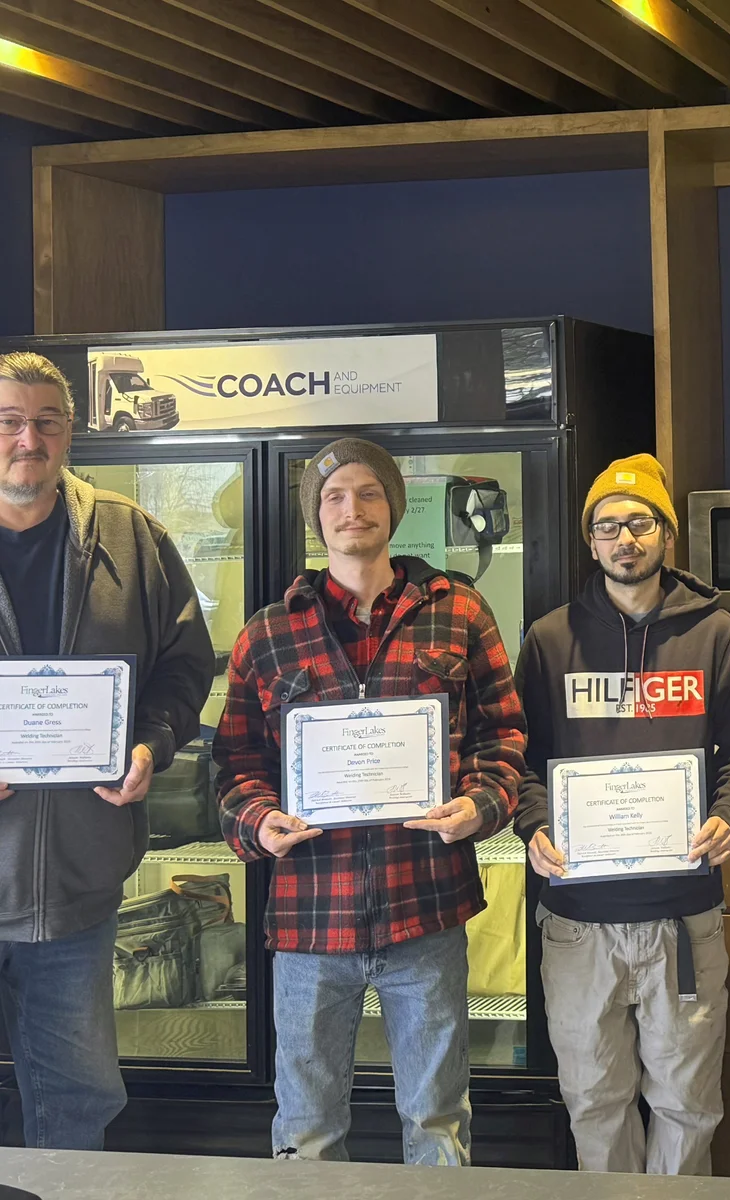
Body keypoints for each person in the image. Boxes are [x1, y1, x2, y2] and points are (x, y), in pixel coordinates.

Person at [214, 437, 526, 1165]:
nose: (351, 509)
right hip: (308, 920)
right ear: (315, 519)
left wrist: (481, 803)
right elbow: (233, 765)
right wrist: (260, 823)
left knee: (438, 1123)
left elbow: (504, 735)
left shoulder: (460, 612)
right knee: (308, 1129)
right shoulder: (267, 633)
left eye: (368, 493)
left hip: (427, 909)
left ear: (394, 506)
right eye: (333, 497)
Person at [515, 453, 730, 1176]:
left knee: (688, 1101)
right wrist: (534, 825)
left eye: (639, 522)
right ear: (590, 543)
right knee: (594, 1098)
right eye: (607, 526)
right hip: (577, 920)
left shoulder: (713, 632)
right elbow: (516, 757)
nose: (624, 538)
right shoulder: (550, 638)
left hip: (683, 915)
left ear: (664, 535)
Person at [0, 351, 213, 1149]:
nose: (29, 438)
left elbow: (186, 667)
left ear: (69, 432)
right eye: (10, 421)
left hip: (80, 889)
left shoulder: (129, 532)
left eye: (47, 422)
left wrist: (153, 744)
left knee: (76, 1105)